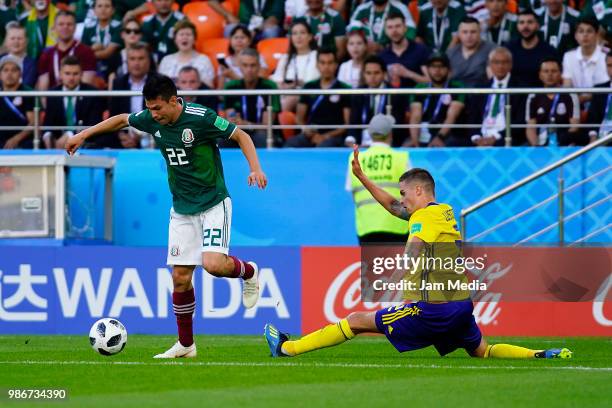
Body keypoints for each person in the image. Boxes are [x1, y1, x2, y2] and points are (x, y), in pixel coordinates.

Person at [265, 164, 572, 361]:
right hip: (461, 304)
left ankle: (287, 348)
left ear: (419, 190)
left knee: (357, 320)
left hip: (434, 308)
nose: (402, 199)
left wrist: (405, 287)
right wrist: (363, 178)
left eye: (405, 193)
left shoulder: (423, 218)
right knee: (482, 351)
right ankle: (540, 354)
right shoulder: (443, 211)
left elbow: (414, 247)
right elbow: (394, 208)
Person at [65, 73, 267, 358]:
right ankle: (186, 345)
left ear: (174, 101)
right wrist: (83, 134)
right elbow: (123, 119)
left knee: (213, 265)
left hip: (213, 202)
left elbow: (241, 135)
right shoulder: (151, 118)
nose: (152, 114)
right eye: (149, 108)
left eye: (157, 108)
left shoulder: (202, 118)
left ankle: (249, 271)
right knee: (181, 277)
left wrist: (255, 168)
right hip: (182, 208)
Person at [345, 114, 410, 244]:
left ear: (370, 134)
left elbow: (353, 193)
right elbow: (411, 195)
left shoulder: (356, 158)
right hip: (397, 225)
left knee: (372, 264)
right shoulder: (401, 157)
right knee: (394, 265)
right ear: (390, 133)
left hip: (367, 227)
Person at [285, 48, 351, 147]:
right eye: (322, 63)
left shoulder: (345, 89)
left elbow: (347, 124)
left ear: (336, 65)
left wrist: (326, 136)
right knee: (291, 144)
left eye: (330, 63)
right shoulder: (309, 87)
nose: (326, 67)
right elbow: (299, 118)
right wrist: (306, 130)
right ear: (317, 65)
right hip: (310, 134)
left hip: (334, 136)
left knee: (324, 146)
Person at [468, 46, 526, 146]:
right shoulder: (481, 87)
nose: (500, 66)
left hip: (506, 136)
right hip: (481, 135)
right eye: (496, 62)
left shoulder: (520, 88)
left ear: (511, 64)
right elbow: (473, 117)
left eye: (504, 62)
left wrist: (495, 137)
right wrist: (476, 137)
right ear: (490, 64)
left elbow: (519, 122)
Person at [43, 56, 106, 149]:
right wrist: (47, 136)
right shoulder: (52, 94)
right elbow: (48, 123)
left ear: (81, 74)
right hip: (57, 143)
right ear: (60, 74)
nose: (71, 78)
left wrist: (70, 134)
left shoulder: (92, 93)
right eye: (67, 74)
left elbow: (94, 124)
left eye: (75, 74)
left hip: (85, 141)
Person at [348, 55, 409, 147]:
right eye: (368, 73)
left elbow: (398, 126)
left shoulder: (395, 94)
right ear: (363, 74)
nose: (372, 77)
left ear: (384, 74)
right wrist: (353, 143)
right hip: (362, 144)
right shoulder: (358, 93)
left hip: (388, 143)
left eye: (376, 73)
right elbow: (354, 122)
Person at [224, 48, 280, 148]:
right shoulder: (231, 87)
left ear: (259, 66)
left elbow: (267, 125)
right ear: (239, 67)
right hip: (239, 132)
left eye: (253, 65)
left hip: (263, 134)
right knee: (223, 139)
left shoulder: (270, 86)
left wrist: (246, 124)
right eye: (245, 65)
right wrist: (235, 121)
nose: (249, 70)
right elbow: (231, 119)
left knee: (261, 137)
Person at [408, 53, 467, 147]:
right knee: (407, 146)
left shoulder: (457, 87)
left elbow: (452, 115)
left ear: (449, 70)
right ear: (427, 69)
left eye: (441, 66)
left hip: (447, 134)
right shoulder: (420, 87)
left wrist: (439, 137)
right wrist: (415, 140)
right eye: (433, 66)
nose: (437, 70)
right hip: (422, 132)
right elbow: (415, 116)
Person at [526, 57, 583, 146]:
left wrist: (561, 143)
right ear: (540, 75)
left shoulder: (570, 95)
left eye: (554, 71)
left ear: (560, 74)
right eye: (546, 71)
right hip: (540, 142)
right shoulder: (533, 95)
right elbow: (530, 127)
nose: (550, 75)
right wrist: (536, 147)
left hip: (564, 142)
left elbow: (574, 126)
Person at [36, 11, 97, 91]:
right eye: (61, 24)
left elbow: (86, 85)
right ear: (54, 28)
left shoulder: (86, 52)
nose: (65, 27)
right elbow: (43, 90)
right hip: (54, 100)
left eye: (69, 24)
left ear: (75, 28)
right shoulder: (46, 54)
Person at [109, 42, 152, 148]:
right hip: (124, 133)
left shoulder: (158, 82)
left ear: (148, 61)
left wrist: (140, 135)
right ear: (127, 62)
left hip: (150, 134)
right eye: (132, 59)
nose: (136, 63)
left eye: (141, 58)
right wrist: (121, 135)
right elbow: (113, 114)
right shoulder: (118, 83)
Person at [271, 21, 319, 112]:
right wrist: (285, 86)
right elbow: (276, 82)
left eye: (302, 33)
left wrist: (298, 84)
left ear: (310, 37)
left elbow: (316, 82)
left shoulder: (316, 56)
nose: (298, 37)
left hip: (308, 96)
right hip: (285, 95)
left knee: (292, 98)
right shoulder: (285, 58)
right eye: (294, 33)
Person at [506, 10, 558, 88]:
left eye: (530, 22)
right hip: (513, 95)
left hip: (539, 96)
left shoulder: (549, 51)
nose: (525, 26)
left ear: (538, 25)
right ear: (517, 26)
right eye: (521, 22)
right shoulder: (509, 49)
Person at [562, 18, 608, 104]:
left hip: (601, 102)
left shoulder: (606, 56)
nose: (585, 35)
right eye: (581, 31)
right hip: (575, 103)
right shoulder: (568, 56)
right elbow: (567, 86)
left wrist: (583, 99)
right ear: (575, 36)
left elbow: (605, 87)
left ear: (597, 35)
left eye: (589, 31)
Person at [379, 12, 429, 89]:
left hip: (416, 98)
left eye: (398, 26)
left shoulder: (420, 50)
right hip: (391, 99)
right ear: (385, 31)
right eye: (390, 27)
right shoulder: (382, 56)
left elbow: (430, 81)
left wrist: (408, 73)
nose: (394, 30)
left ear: (405, 28)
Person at [158, 19, 214, 87]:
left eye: (188, 34)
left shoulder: (204, 60)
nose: (185, 37)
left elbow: (209, 88)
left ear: (194, 40)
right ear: (175, 40)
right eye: (181, 34)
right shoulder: (166, 60)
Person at [446, 17, 496, 87]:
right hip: (455, 94)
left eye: (473, 32)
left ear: (480, 32)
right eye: (465, 32)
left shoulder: (492, 50)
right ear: (459, 34)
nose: (469, 36)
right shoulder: (451, 53)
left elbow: (493, 80)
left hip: (481, 93)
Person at [350, 0, 416, 52]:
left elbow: (410, 32)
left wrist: (386, 47)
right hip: (366, 52)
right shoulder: (361, 9)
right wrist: (366, 45)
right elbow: (352, 32)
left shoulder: (400, 8)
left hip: (392, 52)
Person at [216, 25, 267, 90]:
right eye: (236, 38)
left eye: (242, 37)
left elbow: (261, 84)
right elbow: (220, 92)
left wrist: (234, 76)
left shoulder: (257, 58)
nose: (239, 41)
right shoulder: (225, 62)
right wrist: (223, 76)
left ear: (249, 41)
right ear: (230, 41)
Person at [80, 0, 122, 80]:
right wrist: (93, 48)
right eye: (99, 6)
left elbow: (107, 53)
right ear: (94, 10)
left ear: (113, 10)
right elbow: (82, 52)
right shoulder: (88, 28)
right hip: (92, 67)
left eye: (107, 6)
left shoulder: (118, 27)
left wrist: (90, 51)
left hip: (114, 68)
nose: (103, 9)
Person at [0, 56, 35, 149]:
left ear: (20, 73)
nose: (9, 74)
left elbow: (33, 123)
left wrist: (15, 139)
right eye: (5, 70)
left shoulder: (28, 93)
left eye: (13, 70)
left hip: (23, 141)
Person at [585, 51, 612, 142]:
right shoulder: (599, 89)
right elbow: (593, 117)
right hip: (602, 135)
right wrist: (593, 136)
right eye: (609, 66)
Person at [1, 22, 37, 88]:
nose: (16, 42)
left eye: (19, 38)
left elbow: (27, 85)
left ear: (26, 41)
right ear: (6, 41)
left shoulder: (32, 64)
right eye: (12, 38)